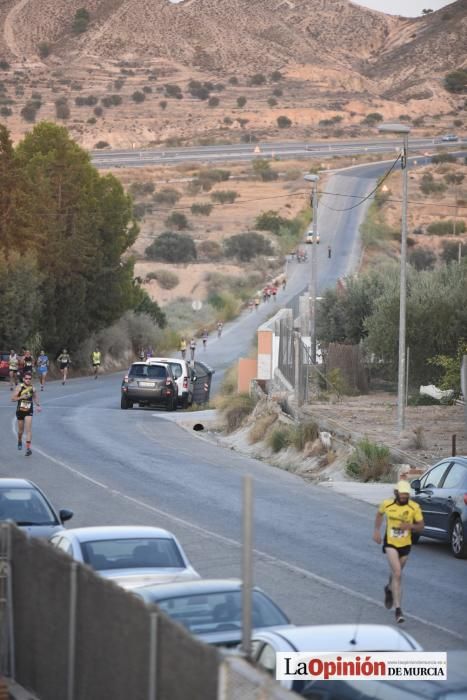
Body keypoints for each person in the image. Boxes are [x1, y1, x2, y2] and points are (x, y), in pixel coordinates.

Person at [373, 480, 424, 624]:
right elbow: (379, 514)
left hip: (405, 545)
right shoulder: (387, 504)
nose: (404, 496)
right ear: (396, 493)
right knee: (398, 573)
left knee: (397, 573)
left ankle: (389, 589)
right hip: (390, 543)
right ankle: (398, 610)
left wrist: (410, 526)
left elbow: (421, 526)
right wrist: (376, 530)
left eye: (406, 494)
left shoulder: (414, 507)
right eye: (402, 494)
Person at [11, 372, 41, 456]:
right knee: (20, 431)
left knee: (28, 430)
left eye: (29, 379)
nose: (28, 380)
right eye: (26, 378)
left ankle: (28, 448)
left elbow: (35, 397)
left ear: (31, 380)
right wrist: (21, 397)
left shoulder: (32, 388)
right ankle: (19, 440)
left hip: (29, 410)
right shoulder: (19, 387)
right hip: (20, 411)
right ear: (23, 379)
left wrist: (38, 405)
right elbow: (13, 399)